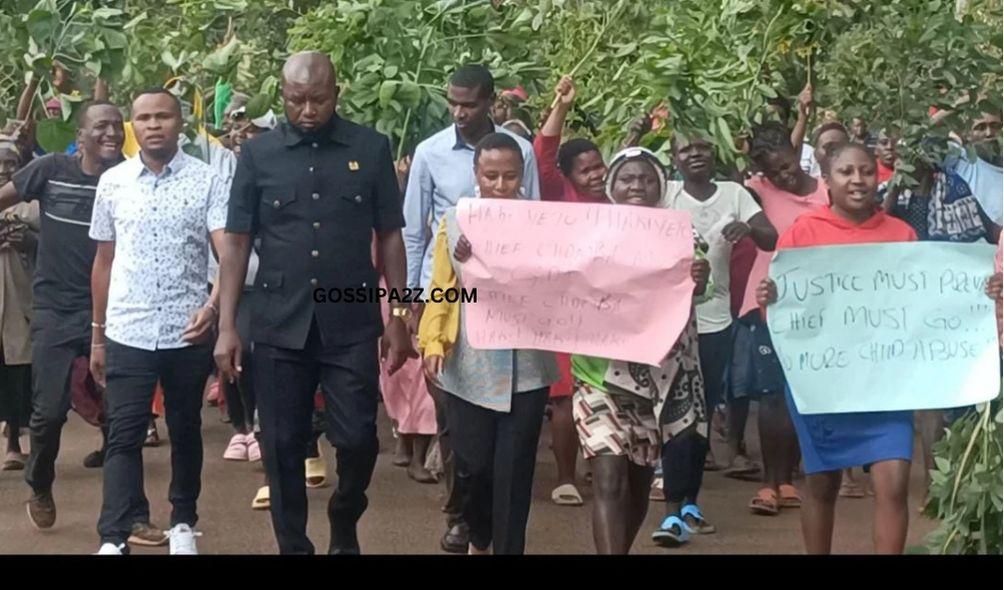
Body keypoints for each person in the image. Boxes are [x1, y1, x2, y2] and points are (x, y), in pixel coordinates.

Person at [215, 51, 414, 555]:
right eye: (296, 100)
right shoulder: (258, 157)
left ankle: (345, 517)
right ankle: (293, 545)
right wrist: (226, 326)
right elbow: (237, 242)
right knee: (281, 448)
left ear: (336, 94)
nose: (307, 110)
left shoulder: (370, 149)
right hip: (280, 323)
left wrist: (398, 314)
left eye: (318, 99)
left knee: (358, 440)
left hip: (349, 324)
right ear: (281, 96)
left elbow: (390, 235)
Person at [0, 101, 172, 545]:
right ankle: (39, 482)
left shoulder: (132, 178)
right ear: (81, 134)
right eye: (102, 126)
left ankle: (133, 516)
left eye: (118, 125)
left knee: (124, 418)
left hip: (118, 312)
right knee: (49, 413)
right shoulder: (50, 170)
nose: (113, 133)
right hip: (56, 312)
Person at [402, 63, 539, 553]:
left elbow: (551, 247)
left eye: (470, 104)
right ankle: (468, 524)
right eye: (453, 103)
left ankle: (505, 545)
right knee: (470, 457)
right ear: (476, 177)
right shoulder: (437, 173)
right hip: (461, 340)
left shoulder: (524, 163)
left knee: (516, 465)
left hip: (523, 349)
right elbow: (415, 237)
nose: (460, 112)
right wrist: (416, 316)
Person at [756, 142, 917, 554]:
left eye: (866, 171)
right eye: (846, 172)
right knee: (822, 483)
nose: (858, 180)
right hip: (822, 383)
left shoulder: (903, 234)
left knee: (894, 480)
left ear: (878, 177)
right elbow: (780, 316)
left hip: (885, 384)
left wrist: (979, 292)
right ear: (827, 181)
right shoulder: (803, 233)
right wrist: (770, 298)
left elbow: (924, 303)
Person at [89, 88, 228, 556]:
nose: (154, 125)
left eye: (163, 116)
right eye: (144, 118)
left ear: (179, 122)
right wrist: (98, 336)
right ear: (134, 125)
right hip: (128, 330)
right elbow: (104, 261)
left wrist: (212, 310)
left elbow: (228, 255)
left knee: (185, 428)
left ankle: (184, 521)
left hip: (186, 332)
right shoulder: (113, 183)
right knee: (123, 434)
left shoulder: (206, 180)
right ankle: (114, 535)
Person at [419, 132, 558, 555]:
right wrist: (433, 341)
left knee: (515, 473)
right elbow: (443, 285)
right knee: (473, 468)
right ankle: (479, 536)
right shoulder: (456, 222)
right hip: (469, 366)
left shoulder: (543, 224)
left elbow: (561, 282)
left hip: (528, 368)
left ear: (522, 176)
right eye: (491, 176)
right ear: (476, 174)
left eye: (510, 177)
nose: (500, 185)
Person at [570, 147, 711, 553]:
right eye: (627, 179)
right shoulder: (589, 231)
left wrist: (699, 279)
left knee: (636, 483)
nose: (636, 186)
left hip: (657, 383)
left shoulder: (681, 232)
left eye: (646, 178)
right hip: (599, 375)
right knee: (609, 479)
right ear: (612, 185)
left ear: (660, 184)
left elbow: (705, 289)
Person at [664, 133, 778, 482]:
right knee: (668, 399)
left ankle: (690, 489)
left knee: (706, 402)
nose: (695, 154)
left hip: (714, 320)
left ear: (714, 153)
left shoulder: (734, 193)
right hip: (667, 320)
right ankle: (665, 473)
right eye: (686, 148)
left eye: (703, 147)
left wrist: (749, 228)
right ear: (674, 157)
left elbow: (770, 236)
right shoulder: (665, 192)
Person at [732, 122, 832, 511]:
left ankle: (800, 474)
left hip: (822, 304)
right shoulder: (758, 190)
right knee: (773, 394)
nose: (785, 176)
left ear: (798, 156)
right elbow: (726, 173)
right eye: (776, 172)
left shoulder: (827, 190)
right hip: (769, 301)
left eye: (789, 166)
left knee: (808, 393)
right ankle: (774, 483)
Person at [533, 75, 608, 506]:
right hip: (562, 309)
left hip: (604, 309)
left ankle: (605, 468)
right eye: (587, 169)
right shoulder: (557, 193)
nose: (596, 175)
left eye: (600, 166)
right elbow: (543, 155)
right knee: (565, 395)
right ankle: (565, 477)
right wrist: (561, 105)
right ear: (568, 174)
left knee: (604, 390)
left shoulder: (616, 197)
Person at [0, 137, 37, 472]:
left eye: (10, 163)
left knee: (19, 377)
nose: (2, 169)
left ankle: (16, 443)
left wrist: (28, 240)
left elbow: (55, 245)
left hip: (22, 306)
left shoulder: (34, 206)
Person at [945, 112, 1002, 227]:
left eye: (995, 126)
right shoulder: (961, 157)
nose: (989, 133)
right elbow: (922, 138)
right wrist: (956, 106)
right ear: (967, 133)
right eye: (980, 127)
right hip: (984, 237)